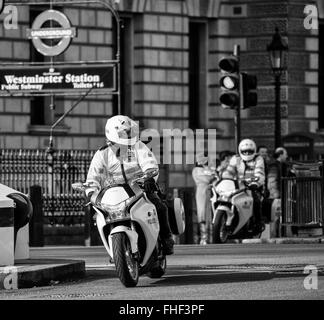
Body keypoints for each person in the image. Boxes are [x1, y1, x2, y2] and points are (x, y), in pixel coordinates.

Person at [85, 115, 174, 255]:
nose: (127, 135)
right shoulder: (102, 154)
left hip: (139, 189)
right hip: (114, 195)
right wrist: (91, 192)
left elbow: (150, 164)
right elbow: (93, 176)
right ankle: (114, 247)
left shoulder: (138, 147)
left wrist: (149, 178)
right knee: (98, 216)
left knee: (159, 206)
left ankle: (166, 238)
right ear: (112, 134)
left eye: (128, 131)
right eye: (123, 132)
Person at [222, 139, 266, 233]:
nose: (247, 153)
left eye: (249, 151)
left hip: (253, 185)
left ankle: (258, 223)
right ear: (240, 151)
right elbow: (229, 171)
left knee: (255, 200)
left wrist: (256, 183)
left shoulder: (258, 158)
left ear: (254, 150)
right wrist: (225, 178)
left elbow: (260, 172)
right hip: (238, 185)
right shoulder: (236, 158)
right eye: (244, 151)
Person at [192, 153, 216, 245]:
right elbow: (206, 179)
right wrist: (212, 176)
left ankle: (212, 237)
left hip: (213, 191)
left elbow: (216, 177)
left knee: (212, 213)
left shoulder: (211, 169)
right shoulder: (196, 170)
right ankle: (204, 237)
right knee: (202, 214)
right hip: (202, 192)